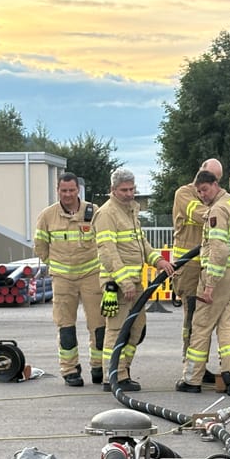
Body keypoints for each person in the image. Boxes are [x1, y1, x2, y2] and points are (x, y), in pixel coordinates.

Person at [95, 167, 175, 392]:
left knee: (136, 328)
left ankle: (123, 371)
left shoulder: (130, 211)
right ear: (113, 190)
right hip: (118, 284)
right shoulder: (107, 214)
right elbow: (108, 252)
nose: (129, 194)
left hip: (135, 283)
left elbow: (141, 245)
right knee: (116, 330)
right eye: (124, 190)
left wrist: (159, 261)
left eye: (132, 189)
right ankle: (111, 376)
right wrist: (125, 282)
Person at [175, 171, 230, 396]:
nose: (202, 195)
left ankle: (192, 379)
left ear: (216, 185)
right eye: (199, 192)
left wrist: (210, 285)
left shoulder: (217, 210)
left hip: (218, 276)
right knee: (228, 327)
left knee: (201, 326)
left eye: (205, 190)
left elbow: (218, 249)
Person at [33, 172, 104, 386]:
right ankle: (70, 370)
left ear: (78, 190)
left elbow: (104, 241)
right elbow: (40, 246)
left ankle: (99, 366)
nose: (67, 194)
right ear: (58, 190)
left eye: (71, 190)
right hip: (63, 279)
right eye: (63, 190)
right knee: (66, 327)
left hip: (92, 276)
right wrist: (54, 265)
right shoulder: (47, 216)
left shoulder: (93, 212)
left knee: (98, 325)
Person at [171, 158, 224, 359]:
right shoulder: (184, 194)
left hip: (206, 265)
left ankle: (199, 362)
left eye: (216, 180)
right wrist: (226, 215)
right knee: (192, 315)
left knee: (206, 316)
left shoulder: (215, 196)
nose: (213, 184)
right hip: (189, 266)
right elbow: (198, 213)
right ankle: (190, 361)